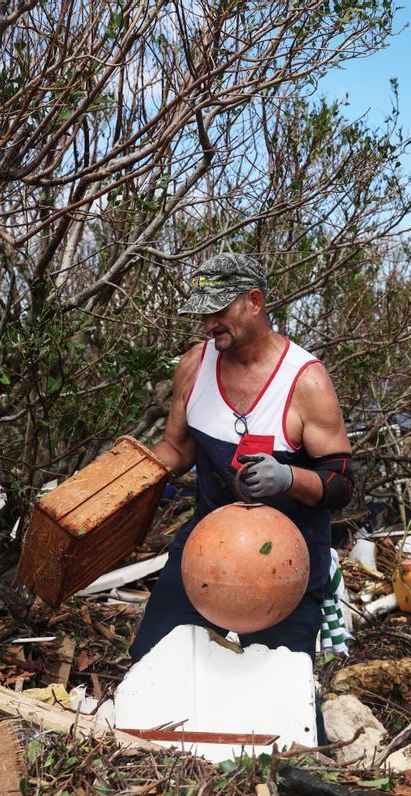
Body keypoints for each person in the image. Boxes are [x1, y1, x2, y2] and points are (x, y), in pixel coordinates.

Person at [128, 253, 354, 666]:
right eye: (203, 315)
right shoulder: (196, 365)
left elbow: (341, 484)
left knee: (278, 694)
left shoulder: (305, 380)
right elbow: (177, 450)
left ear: (254, 301)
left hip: (285, 564)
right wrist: (126, 477)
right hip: (208, 549)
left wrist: (287, 478)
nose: (209, 324)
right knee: (153, 662)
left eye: (219, 311)